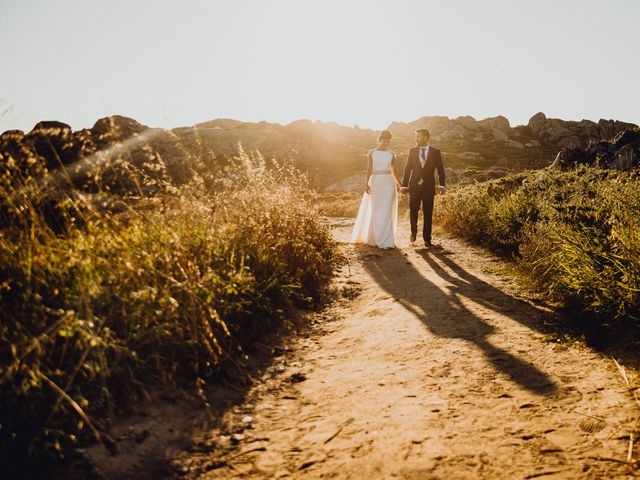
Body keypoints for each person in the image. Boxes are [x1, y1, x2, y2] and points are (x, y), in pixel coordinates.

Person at [351, 129, 403, 249]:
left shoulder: (391, 154)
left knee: (386, 211)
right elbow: (369, 169)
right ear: (379, 140)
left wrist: (400, 186)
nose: (386, 144)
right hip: (376, 182)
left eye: (388, 142)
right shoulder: (371, 153)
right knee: (376, 211)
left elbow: (394, 171)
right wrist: (366, 184)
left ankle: (387, 241)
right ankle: (375, 238)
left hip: (389, 184)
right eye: (384, 141)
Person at [400, 128, 446, 248]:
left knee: (428, 212)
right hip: (414, 186)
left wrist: (442, 185)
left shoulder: (436, 152)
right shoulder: (412, 151)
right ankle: (413, 233)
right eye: (415, 136)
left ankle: (427, 239)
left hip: (429, 187)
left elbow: (441, 170)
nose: (416, 139)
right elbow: (407, 169)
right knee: (413, 210)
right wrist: (404, 185)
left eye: (418, 137)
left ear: (426, 137)